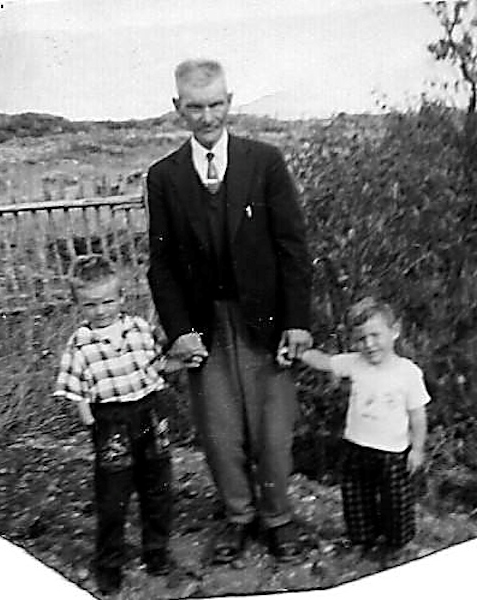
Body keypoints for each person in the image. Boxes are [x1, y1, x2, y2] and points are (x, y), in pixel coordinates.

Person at [147, 58, 312, 563]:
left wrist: (298, 322)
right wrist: (180, 331)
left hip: (263, 324)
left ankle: (278, 517)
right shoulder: (165, 177)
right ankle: (239, 517)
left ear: (230, 102)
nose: (207, 116)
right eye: (195, 107)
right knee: (220, 434)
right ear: (178, 109)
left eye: (216, 104)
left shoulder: (265, 162)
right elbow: (163, 264)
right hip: (206, 329)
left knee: (273, 431)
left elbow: (292, 248)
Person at [54, 254, 178, 595]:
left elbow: (157, 363)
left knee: (158, 485)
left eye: (108, 301)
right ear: (78, 303)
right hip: (111, 420)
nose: (101, 310)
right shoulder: (80, 342)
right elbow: (75, 383)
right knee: (113, 495)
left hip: (149, 412)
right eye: (91, 304)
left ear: (121, 297)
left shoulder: (138, 327)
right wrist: (86, 413)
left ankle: (157, 551)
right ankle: (110, 562)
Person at [279, 296, 430, 551]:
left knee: (396, 503)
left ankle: (396, 544)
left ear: (394, 331)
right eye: (361, 338)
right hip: (357, 447)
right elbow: (325, 362)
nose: (369, 344)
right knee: (357, 497)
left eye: (375, 335)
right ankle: (362, 540)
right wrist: (300, 352)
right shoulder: (354, 362)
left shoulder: (408, 373)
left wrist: (417, 449)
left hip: (393, 453)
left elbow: (418, 416)